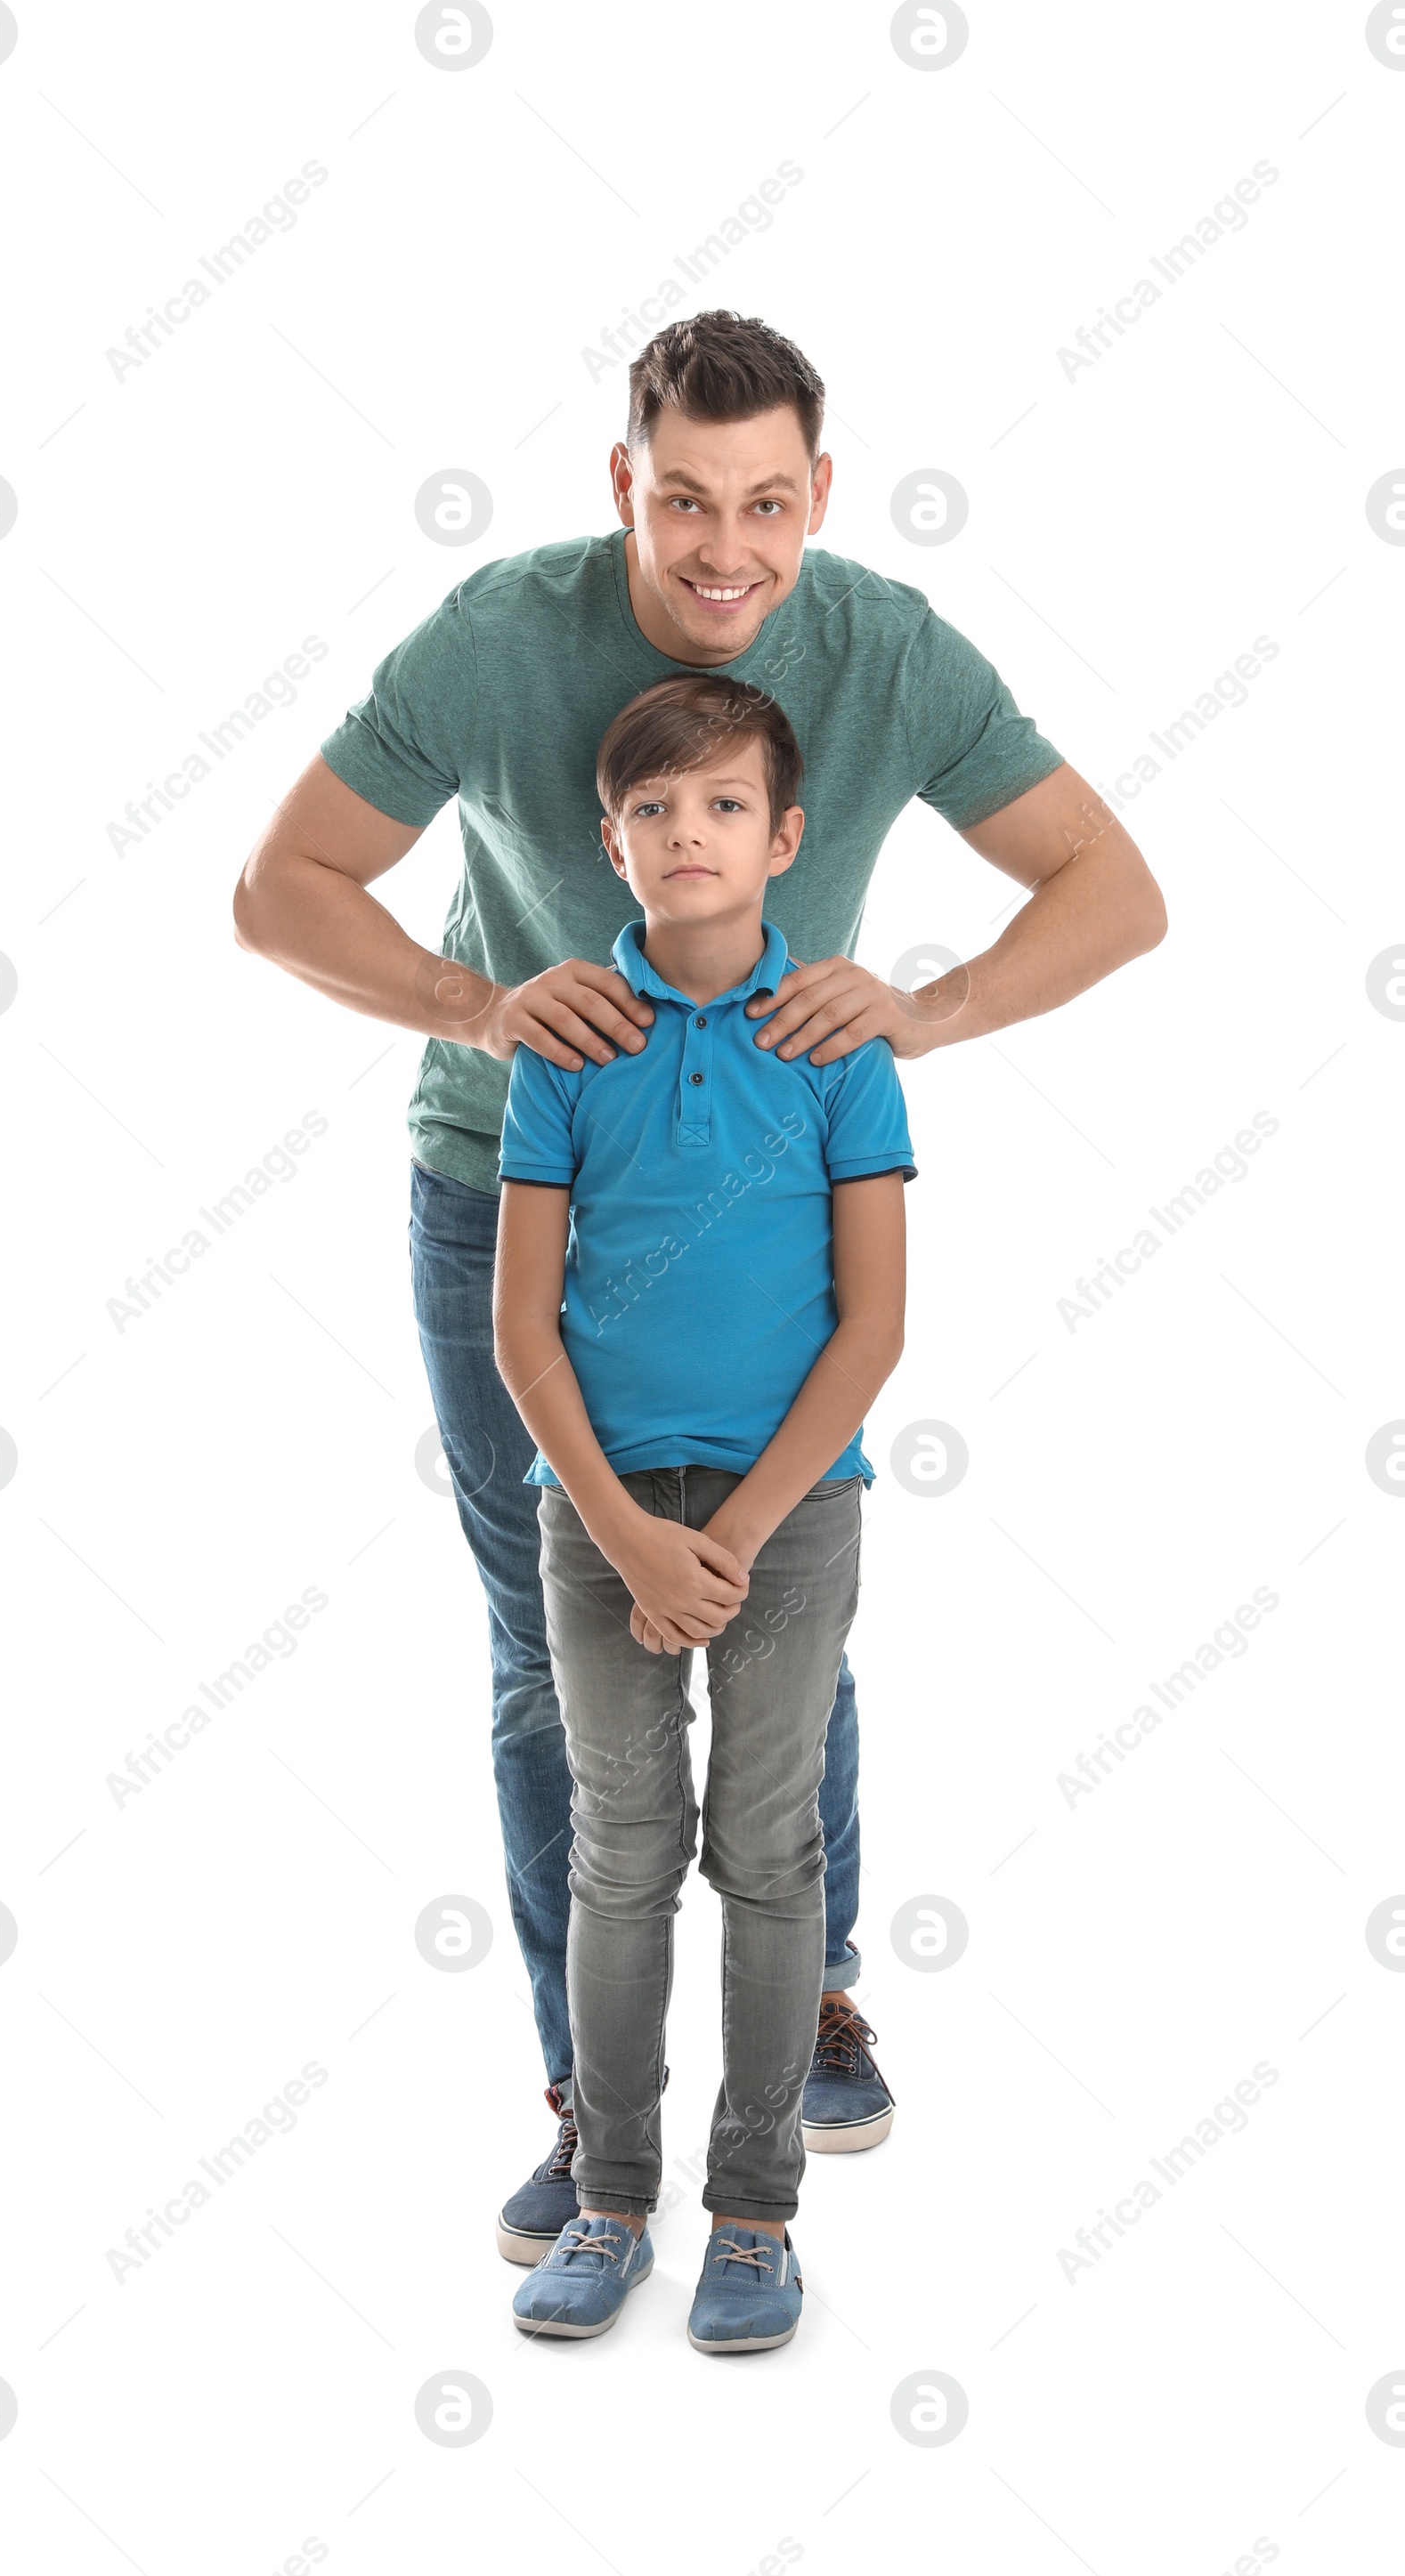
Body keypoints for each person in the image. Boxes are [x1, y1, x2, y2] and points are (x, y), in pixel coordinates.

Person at [232, 311, 1166, 2259]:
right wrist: (472, 1002)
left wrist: (926, 1006)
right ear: (620, 487)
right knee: (546, 1651)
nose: (722, 549)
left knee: (778, 1628)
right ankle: (592, 2107)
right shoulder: (497, 635)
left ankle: (798, 1991)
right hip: (513, 1194)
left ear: (818, 494)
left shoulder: (886, 648)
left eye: (764, 504)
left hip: (767, 1222)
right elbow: (283, 883)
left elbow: (1110, 885)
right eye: (680, 504)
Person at [495, 672, 913, 2348]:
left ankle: (754, 2214)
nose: (688, 833)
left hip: (789, 1517)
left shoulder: (837, 1047)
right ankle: (609, 2193)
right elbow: (522, 1327)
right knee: (617, 1857)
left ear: (783, 836)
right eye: (654, 811)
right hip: (596, 1510)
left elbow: (876, 1322)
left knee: (766, 1851)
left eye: (722, 805)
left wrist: (737, 1533)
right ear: (609, 842)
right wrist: (621, 1527)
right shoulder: (565, 1049)